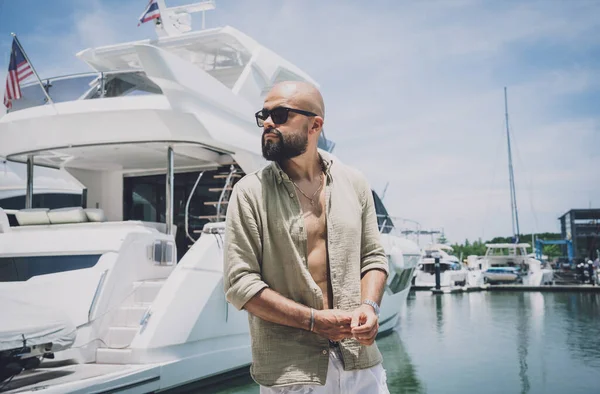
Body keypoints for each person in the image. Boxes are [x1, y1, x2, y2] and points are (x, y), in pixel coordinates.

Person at [223, 81, 390, 393]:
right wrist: (314, 320)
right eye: (264, 115)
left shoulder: (354, 182)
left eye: (281, 114)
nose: (268, 122)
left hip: (362, 363)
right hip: (293, 373)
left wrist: (370, 306)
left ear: (315, 125)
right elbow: (239, 284)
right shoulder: (249, 192)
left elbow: (373, 258)